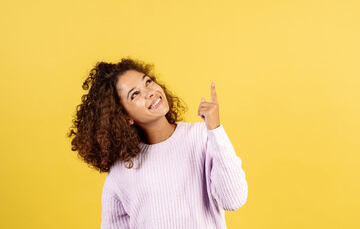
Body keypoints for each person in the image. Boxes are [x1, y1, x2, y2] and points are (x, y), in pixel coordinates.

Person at [67, 58, 248, 229]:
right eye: (135, 94)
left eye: (148, 82)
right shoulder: (121, 171)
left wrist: (215, 128)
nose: (150, 92)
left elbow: (233, 199)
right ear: (125, 117)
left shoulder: (202, 136)